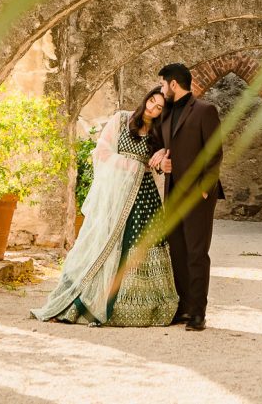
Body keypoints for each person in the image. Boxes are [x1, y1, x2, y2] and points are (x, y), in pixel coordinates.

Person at [31, 87, 178, 327]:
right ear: (146, 99)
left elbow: (158, 166)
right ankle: (85, 302)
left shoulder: (158, 132)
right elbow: (101, 152)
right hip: (114, 196)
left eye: (159, 107)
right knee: (104, 244)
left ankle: (138, 306)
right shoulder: (121, 119)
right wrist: (133, 165)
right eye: (152, 101)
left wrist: (162, 154)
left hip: (144, 198)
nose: (152, 107)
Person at [148, 62, 224, 332]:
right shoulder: (165, 114)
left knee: (196, 253)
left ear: (174, 84)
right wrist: (158, 162)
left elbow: (214, 152)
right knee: (177, 252)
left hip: (198, 195)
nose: (160, 88)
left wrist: (205, 188)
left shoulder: (205, 111)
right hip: (172, 193)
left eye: (162, 83)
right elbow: (156, 146)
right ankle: (183, 307)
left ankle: (198, 313)